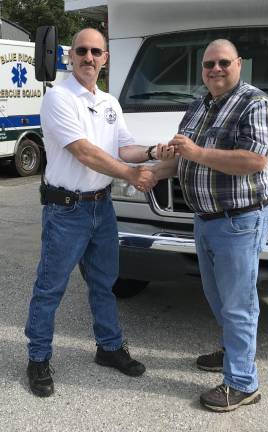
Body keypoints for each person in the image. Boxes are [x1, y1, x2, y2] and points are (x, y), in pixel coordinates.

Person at [25, 28, 157, 398]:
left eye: (95, 51)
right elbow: (83, 151)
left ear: (105, 58)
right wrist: (132, 174)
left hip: (102, 206)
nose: (88, 57)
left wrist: (153, 153)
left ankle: (109, 347)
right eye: (81, 50)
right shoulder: (58, 98)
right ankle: (38, 357)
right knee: (50, 287)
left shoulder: (110, 103)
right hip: (66, 210)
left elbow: (126, 147)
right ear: (70, 56)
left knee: (105, 283)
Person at [153, 39, 268, 412]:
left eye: (223, 62)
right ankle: (231, 351)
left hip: (239, 219)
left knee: (238, 302)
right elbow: (183, 161)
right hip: (206, 218)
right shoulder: (199, 105)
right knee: (217, 296)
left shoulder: (257, 104)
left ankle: (243, 382)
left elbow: (255, 160)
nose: (215, 69)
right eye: (209, 64)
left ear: (239, 64)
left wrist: (195, 153)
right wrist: (150, 169)